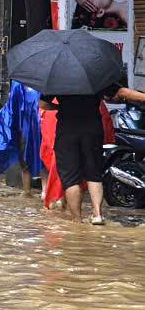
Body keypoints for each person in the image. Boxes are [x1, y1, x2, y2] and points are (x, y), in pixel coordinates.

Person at [39, 81, 145, 223]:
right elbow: (122, 92)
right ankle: (97, 215)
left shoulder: (58, 79)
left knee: (70, 179)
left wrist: (61, 107)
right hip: (93, 130)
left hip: (67, 131)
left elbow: (43, 104)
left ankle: (77, 220)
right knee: (93, 174)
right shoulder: (96, 76)